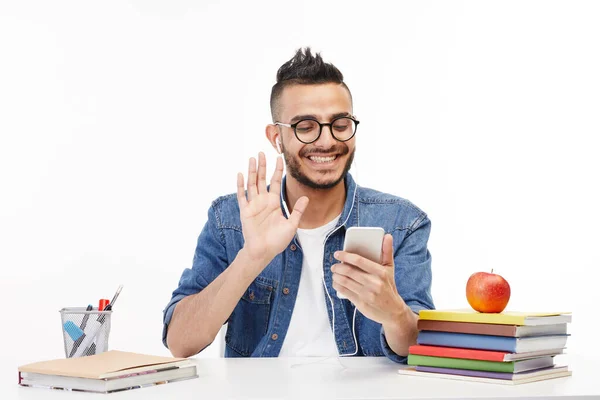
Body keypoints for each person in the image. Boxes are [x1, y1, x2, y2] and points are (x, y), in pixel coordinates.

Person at [162, 48, 434, 363]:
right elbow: (180, 343)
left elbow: (420, 349)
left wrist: (395, 313)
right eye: (305, 127)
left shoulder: (402, 222)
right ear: (276, 136)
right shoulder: (230, 220)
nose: (327, 141)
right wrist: (250, 259)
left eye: (340, 124)